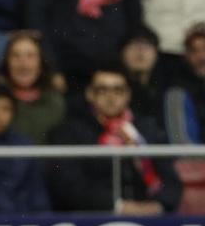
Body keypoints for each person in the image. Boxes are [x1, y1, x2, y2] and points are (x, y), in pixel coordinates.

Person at [46, 64, 181, 213]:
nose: (111, 97)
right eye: (102, 90)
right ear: (89, 94)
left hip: (150, 214)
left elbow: (171, 181)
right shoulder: (70, 132)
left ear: (128, 94)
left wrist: (158, 205)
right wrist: (118, 206)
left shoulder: (149, 129)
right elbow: (70, 185)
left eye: (118, 90)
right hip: (93, 217)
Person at [0, 83, 51, 212]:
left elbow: (37, 192)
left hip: (26, 221)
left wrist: (42, 220)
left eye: (6, 109)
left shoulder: (24, 144)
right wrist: (14, 219)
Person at [0, 31, 65, 144]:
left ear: (41, 63)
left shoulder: (56, 102)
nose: (23, 64)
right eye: (15, 56)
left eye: (30, 56)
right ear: (6, 63)